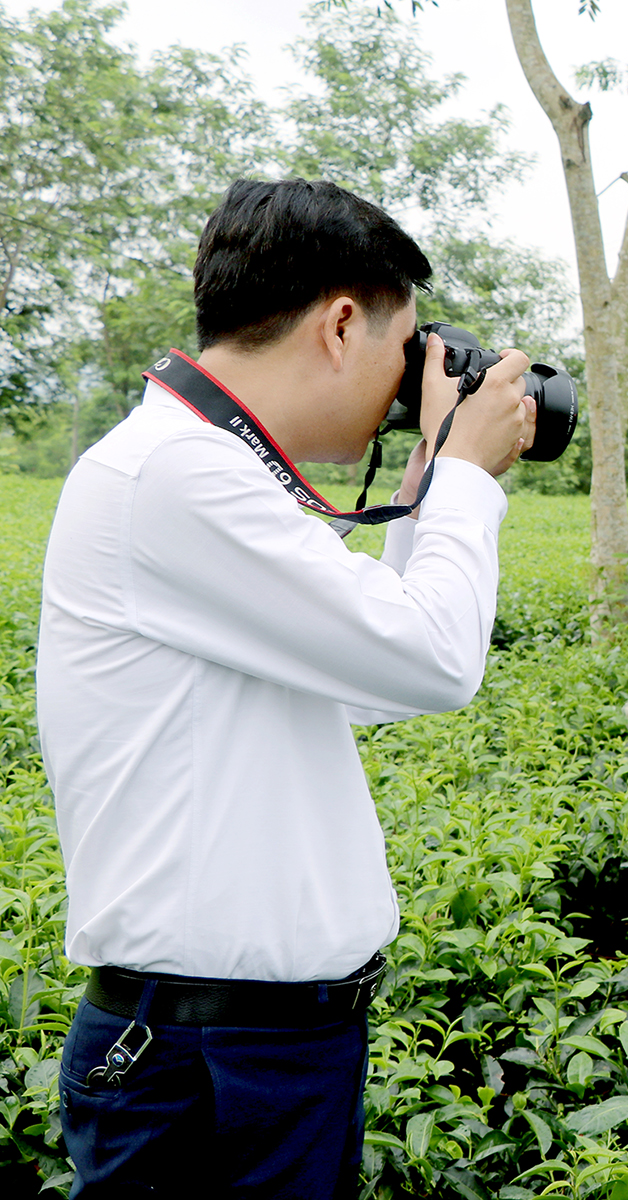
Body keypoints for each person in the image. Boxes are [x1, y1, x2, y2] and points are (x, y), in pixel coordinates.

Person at [37, 179, 537, 1197]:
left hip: (246, 1044)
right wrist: (468, 476)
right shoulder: (177, 473)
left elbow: (366, 680)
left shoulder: (195, 467)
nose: (411, 389)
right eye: (408, 357)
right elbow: (434, 661)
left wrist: (419, 500)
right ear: (342, 323)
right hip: (209, 1054)